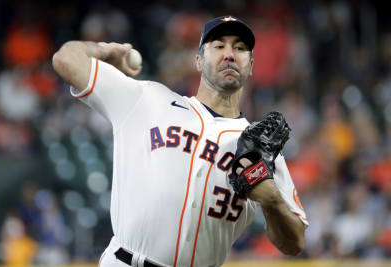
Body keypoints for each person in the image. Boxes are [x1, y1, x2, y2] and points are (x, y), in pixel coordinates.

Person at [52, 15, 308, 267]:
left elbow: (294, 243)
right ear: (198, 61)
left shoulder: (262, 151)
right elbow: (65, 59)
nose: (229, 54)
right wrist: (105, 50)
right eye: (218, 46)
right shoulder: (147, 99)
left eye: (240, 48)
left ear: (251, 65)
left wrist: (272, 202)